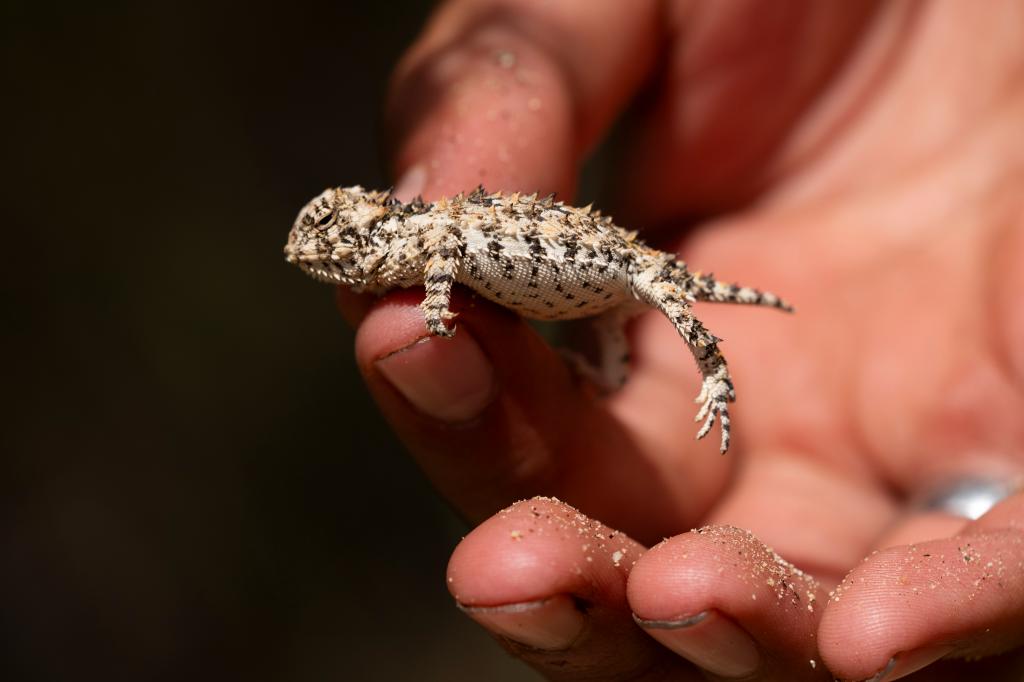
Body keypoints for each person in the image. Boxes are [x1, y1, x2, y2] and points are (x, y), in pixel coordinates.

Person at [340, 1, 1024, 679]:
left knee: (663, 297)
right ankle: (611, 370)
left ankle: (714, 381)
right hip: (584, 281)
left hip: (601, 262)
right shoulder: (434, 236)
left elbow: (445, 265)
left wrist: (436, 309)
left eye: (341, 255)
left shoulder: (434, 237)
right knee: (614, 326)